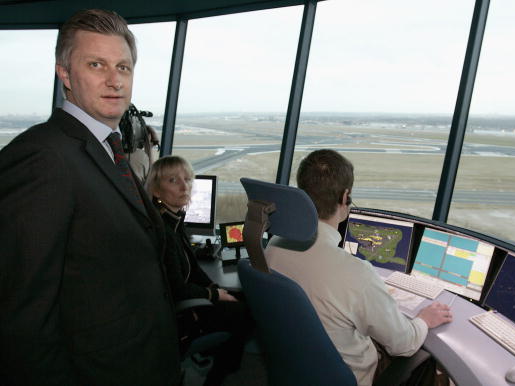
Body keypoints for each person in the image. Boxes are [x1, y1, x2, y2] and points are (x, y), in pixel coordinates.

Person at [0, 9, 179, 386]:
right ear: (64, 74)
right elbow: (21, 317)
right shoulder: (43, 158)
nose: (114, 80)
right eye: (96, 65)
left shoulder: (108, 149)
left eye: (124, 67)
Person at [264, 149, 453, 386]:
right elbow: (404, 345)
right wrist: (425, 319)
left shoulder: (274, 247)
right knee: (433, 369)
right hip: (349, 376)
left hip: (297, 365)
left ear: (302, 193)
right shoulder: (355, 274)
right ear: (345, 197)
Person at [146, 155, 253, 386]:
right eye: (173, 180)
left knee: (234, 300)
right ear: (156, 190)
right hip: (177, 315)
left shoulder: (173, 220)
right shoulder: (161, 230)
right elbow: (176, 288)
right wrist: (213, 295)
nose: (185, 186)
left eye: (188, 179)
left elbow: (193, 268)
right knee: (245, 313)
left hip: (183, 303)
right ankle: (217, 377)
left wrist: (215, 289)